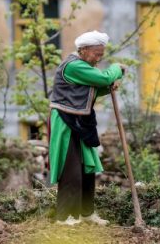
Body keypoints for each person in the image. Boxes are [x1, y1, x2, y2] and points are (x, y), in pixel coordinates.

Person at [48, 30, 125, 225]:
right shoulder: (73, 66)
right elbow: (104, 78)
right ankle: (64, 217)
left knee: (86, 168)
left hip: (81, 120)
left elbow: (91, 89)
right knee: (70, 168)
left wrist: (107, 88)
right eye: (97, 54)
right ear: (83, 50)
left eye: (102, 54)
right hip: (65, 119)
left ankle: (86, 212)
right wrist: (116, 69)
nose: (99, 58)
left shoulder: (82, 66)